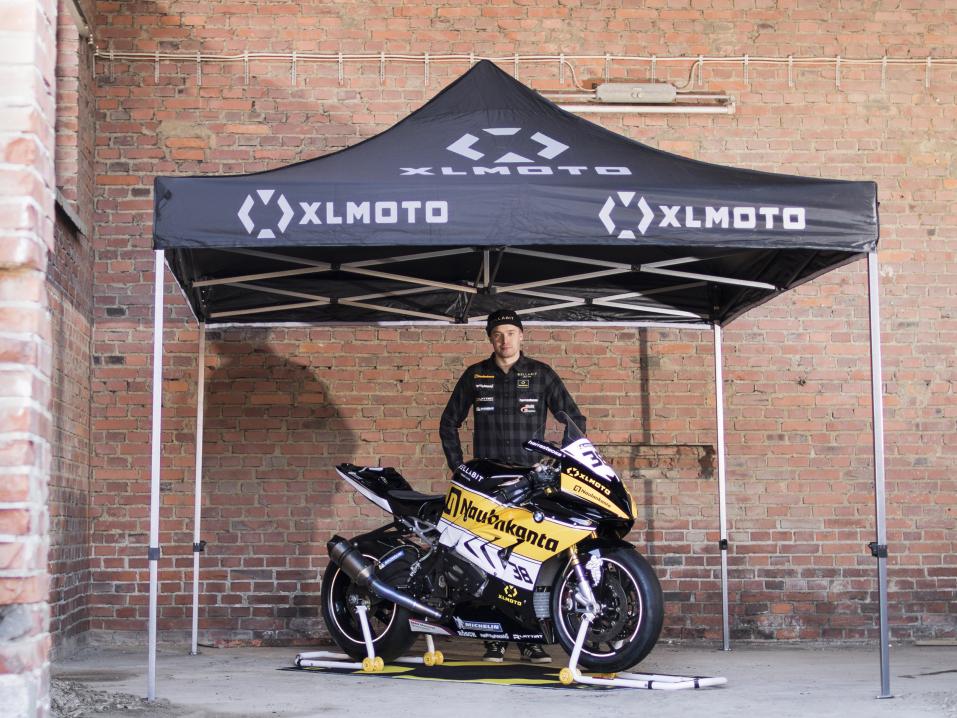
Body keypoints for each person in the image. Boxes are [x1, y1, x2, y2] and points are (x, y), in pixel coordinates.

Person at [439, 308, 587, 664]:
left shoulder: (541, 374)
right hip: (487, 483)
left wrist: (555, 463)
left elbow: (575, 419)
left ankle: (530, 640)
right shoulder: (475, 375)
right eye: (497, 334)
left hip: (529, 482)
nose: (503, 340)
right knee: (485, 557)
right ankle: (493, 639)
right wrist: (459, 467)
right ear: (490, 339)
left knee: (529, 558)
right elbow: (448, 422)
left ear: (521, 335)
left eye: (509, 333)